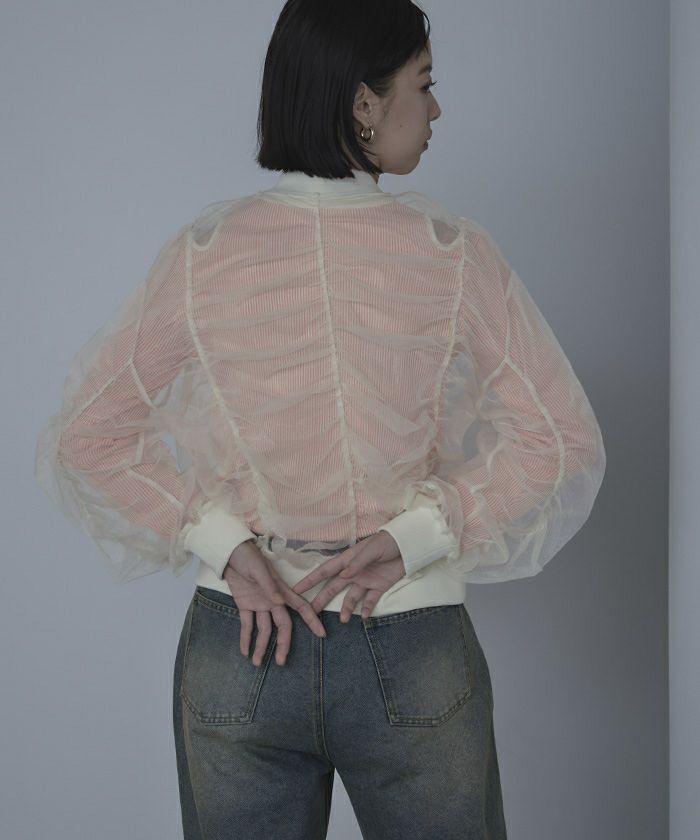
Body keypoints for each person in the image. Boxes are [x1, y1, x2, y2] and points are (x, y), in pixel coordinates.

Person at [34, 1, 607, 838]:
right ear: (365, 103)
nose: (437, 108)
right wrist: (416, 538)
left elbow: (89, 434)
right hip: (407, 638)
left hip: (243, 642)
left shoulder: (206, 252)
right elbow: (560, 440)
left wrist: (228, 547)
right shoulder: (449, 251)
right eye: (424, 84)